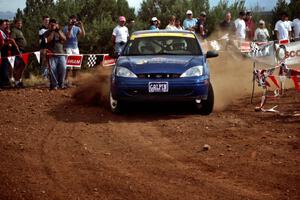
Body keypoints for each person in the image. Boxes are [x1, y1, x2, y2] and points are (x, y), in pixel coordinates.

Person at [44, 19, 66, 90]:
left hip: (61, 54)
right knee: (53, 70)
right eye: (52, 24)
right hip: (51, 55)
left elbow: (64, 39)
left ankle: (61, 84)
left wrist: (58, 31)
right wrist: (53, 31)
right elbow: (47, 40)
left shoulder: (60, 31)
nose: (53, 25)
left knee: (63, 69)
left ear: (57, 25)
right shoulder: (46, 32)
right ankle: (54, 85)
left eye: (55, 24)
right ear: (49, 25)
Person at [63, 15, 85, 86]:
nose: (73, 21)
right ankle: (65, 80)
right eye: (72, 20)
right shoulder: (66, 27)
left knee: (76, 65)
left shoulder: (77, 28)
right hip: (68, 47)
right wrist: (70, 27)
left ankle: (74, 80)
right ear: (69, 20)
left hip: (75, 47)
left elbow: (83, 35)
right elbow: (68, 36)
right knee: (69, 65)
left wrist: (81, 26)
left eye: (74, 20)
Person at [0, 19, 19, 88]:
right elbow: (2, 43)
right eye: (5, 24)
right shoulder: (1, 32)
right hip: (4, 52)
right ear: (1, 25)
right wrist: (8, 43)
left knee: (10, 66)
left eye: (7, 24)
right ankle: (4, 83)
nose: (6, 25)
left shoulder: (7, 32)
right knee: (4, 68)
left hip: (10, 52)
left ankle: (9, 81)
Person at [11, 19, 27, 88]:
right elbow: (12, 39)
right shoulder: (14, 30)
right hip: (18, 51)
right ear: (15, 24)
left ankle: (19, 81)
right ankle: (17, 83)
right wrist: (17, 49)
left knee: (22, 65)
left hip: (22, 51)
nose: (20, 24)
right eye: (18, 23)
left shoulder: (19, 31)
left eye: (20, 23)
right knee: (18, 66)